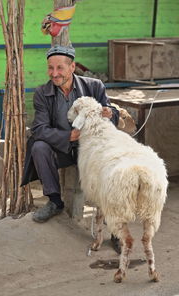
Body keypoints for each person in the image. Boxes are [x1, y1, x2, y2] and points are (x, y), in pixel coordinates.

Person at [21, 45, 121, 253]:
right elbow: (39, 129)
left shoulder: (94, 86)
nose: (54, 73)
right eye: (50, 68)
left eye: (60, 68)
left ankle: (116, 230)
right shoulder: (42, 93)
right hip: (64, 148)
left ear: (72, 67)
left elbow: (113, 113)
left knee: (114, 174)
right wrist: (69, 136)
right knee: (39, 147)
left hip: (93, 150)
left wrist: (110, 113)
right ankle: (55, 201)